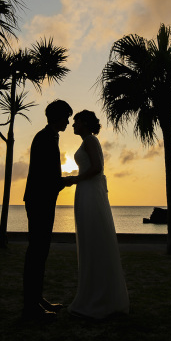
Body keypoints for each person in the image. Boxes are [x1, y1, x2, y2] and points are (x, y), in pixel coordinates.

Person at [64, 110, 129, 319]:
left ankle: (98, 298)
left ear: (84, 123)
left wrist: (74, 179)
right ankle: (95, 293)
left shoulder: (90, 140)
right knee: (90, 239)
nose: (73, 125)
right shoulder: (89, 141)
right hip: (87, 190)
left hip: (90, 191)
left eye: (76, 122)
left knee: (93, 239)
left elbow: (97, 168)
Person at [22, 99, 74, 320]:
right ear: (58, 117)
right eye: (66, 117)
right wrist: (69, 181)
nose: (68, 122)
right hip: (39, 201)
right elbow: (46, 177)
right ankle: (32, 306)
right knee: (37, 252)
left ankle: (37, 299)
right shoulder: (44, 138)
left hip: (43, 200)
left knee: (40, 252)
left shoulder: (49, 137)